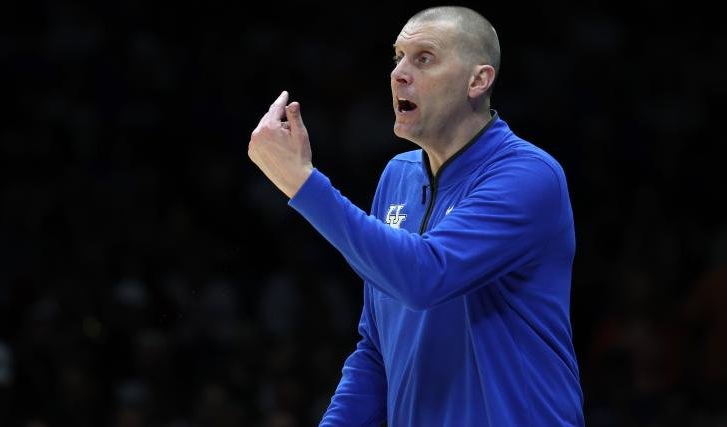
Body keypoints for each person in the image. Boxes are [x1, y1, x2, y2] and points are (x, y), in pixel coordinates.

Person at [248, 5, 584, 426]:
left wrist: (302, 183)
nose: (399, 74)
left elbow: (425, 276)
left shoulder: (528, 175)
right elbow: (377, 349)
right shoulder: (397, 176)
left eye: (424, 59)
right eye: (398, 57)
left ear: (478, 80)